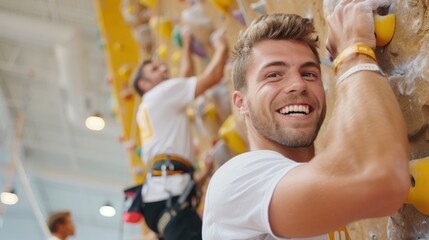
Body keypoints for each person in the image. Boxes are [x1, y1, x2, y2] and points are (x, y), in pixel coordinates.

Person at [202, 0, 410, 239]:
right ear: (241, 103)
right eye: (274, 75)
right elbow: (382, 180)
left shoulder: (313, 177)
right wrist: (353, 53)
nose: (298, 85)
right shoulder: (237, 182)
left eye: (309, 73)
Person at [132, 26, 228, 240]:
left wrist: (186, 44)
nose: (163, 68)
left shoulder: (150, 105)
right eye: (155, 70)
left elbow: (184, 78)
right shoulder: (159, 95)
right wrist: (221, 44)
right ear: (144, 84)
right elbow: (212, 76)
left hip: (163, 196)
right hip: (168, 196)